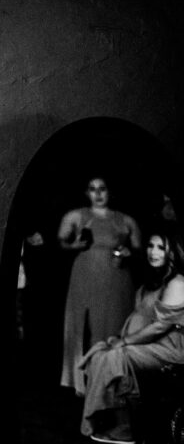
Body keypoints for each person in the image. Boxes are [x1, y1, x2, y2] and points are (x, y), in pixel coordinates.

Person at [78, 227, 184, 443]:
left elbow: (159, 327)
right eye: (150, 246)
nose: (153, 252)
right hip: (153, 346)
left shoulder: (178, 282)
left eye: (160, 248)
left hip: (173, 350)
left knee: (118, 355)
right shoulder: (152, 282)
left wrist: (124, 342)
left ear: (172, 252)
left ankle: (121, 426)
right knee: (103, 352)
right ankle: (115, 420)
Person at [58, 176, 142, 394]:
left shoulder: (124, 219)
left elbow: (139, 248)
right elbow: (61, 241)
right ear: (87, 192)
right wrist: (73, 244)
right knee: (86, 324)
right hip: (86, 275)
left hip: (117, 275)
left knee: (115, 322)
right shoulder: (77, 215)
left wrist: (128, 253)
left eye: (102, 188)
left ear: (109, 192)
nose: (98, 193)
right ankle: (85, 381)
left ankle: (114, 377)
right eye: (93, 189)